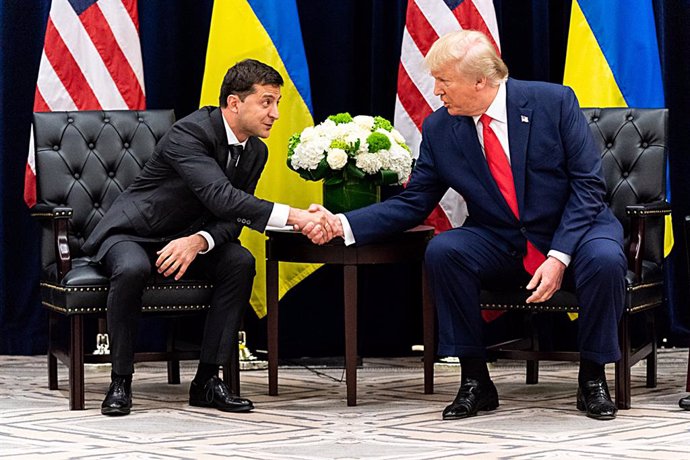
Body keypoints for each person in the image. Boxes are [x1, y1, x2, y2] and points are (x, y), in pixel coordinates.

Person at [304, 30, 625, 421]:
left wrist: (559, 256)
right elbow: (413, 202)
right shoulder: (441, 128)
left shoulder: (553, 102)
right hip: (502, 239)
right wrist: (340, 223)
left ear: (480, 81)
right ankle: (475, 379)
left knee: (606, 258)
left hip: (576, 230)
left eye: (443, 81)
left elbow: (588, 187)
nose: (436, 91)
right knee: (445, 250)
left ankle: (592, 377)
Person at [82, 59, 331, 416]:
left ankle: (207, 381)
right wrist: (295, 217)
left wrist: (199, 240)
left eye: (277, 102)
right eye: (266, 102)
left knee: (239, 261)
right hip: (135, 234)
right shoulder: (190, 133)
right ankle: (120, 380)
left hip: (188, 239)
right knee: (133, 268)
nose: (275, 113)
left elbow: (234, 218)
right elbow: (222, 198)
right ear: (234, 102)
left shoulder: (256, 151)